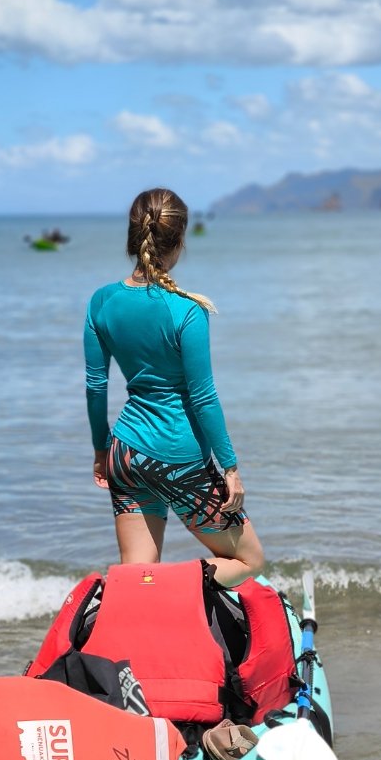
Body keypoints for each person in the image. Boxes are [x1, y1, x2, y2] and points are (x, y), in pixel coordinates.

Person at [83, 187, 263, 588]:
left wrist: (100, 450)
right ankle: (174, 588)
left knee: (137, 575)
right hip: (179, 457)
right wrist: (230, 467)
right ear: (180, 240)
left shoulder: (101, 302)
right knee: (249, 559)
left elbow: (96, 386)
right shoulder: (187, 310)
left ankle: (135, 638)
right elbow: (202, 397)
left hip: (125, 453)